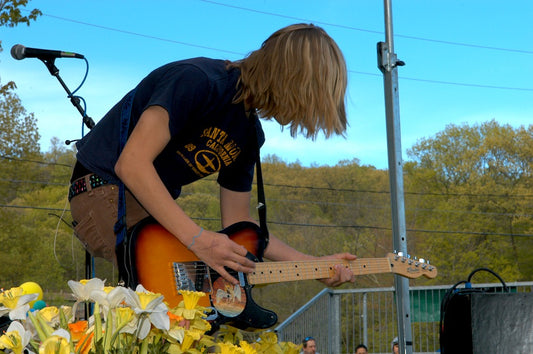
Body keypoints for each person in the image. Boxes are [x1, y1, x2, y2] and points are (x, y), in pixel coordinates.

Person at [69, 23, 356, 287]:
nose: (301, 114)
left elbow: (238, 223)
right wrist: (198, 239)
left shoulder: (249, 134)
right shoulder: (198, 80)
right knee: (180, 304)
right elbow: (131, 163)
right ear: (291, 79)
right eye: (307, 100)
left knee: (204, 296)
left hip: (147, 207)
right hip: (102, 190)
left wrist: (311, 265)